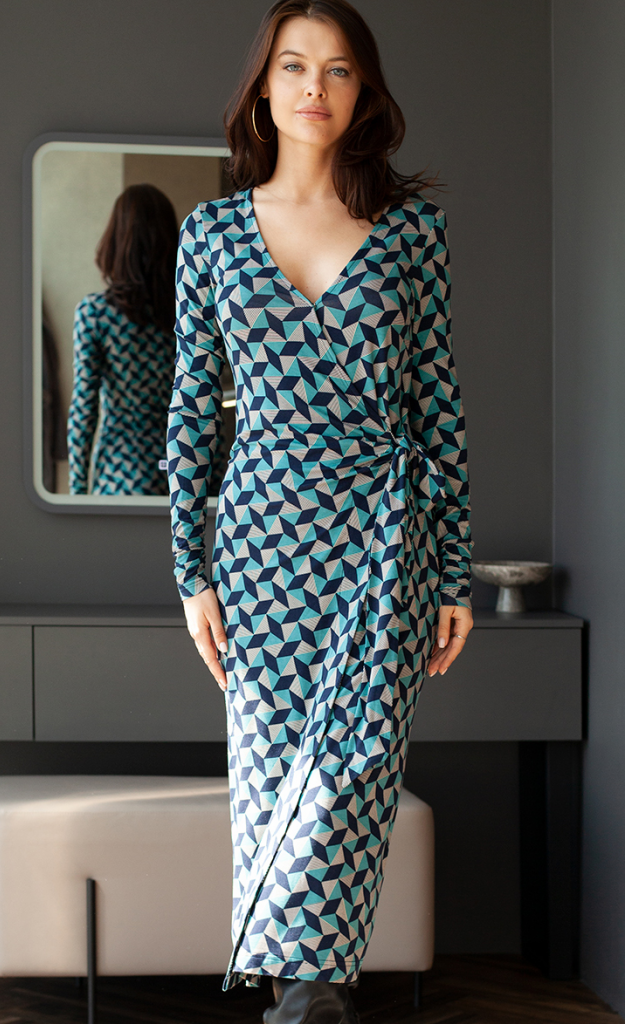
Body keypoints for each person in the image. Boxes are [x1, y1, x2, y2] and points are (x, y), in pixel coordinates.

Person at [167, 2, 473, 1021]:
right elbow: (190, 414)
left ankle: (302, 999)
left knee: (354, 775)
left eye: (337, 70)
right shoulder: (211, 235)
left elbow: (437, 403)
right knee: (268, 781)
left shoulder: (412, 233)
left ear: (361, 90)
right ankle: (307, 1000)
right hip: (259, 545)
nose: (314, 87)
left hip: (382, 539)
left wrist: (454, 569)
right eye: (294, 66)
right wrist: (191, 573)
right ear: (263, 86)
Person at [68, 183, 178, 496]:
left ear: (115, 241)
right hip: (177, 471)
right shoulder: (185, 315)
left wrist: (77, 492)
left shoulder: (95, 313)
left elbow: (84, 409)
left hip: (119, 473)